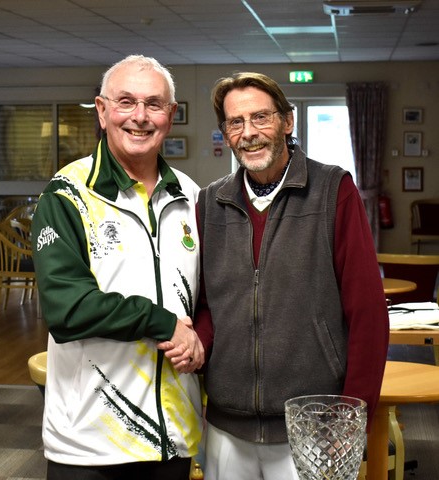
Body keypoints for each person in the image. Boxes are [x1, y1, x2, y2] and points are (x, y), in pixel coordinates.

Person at [192, 72, 389, 479]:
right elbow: (207, 305)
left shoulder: (334, 191)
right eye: (235, 122)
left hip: (315, 426)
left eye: (260, 117)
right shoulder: (210, 203)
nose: (249, 133)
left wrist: (352, 418)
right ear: (226, 133)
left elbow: (368, 313)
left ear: (287, 121)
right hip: (227, 425)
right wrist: (196, 343)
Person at [31, 54, 204, 480]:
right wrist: (163, 323)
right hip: (90, 445)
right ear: (102, 110)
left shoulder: (190, 195)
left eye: (154, 104)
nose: (140, 117)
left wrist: (201, 339)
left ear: (171, 115)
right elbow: (67, 309)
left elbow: (208, 297)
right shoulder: (67, 195)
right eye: (126, 102)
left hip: (174, 438)